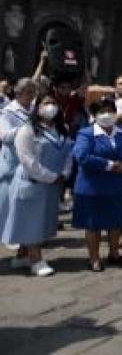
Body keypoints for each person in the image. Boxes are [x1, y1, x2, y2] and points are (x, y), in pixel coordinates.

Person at [1, 93, 73, 276]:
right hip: (31, 181)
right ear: (37, 107)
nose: (50, 106)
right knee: (31, 222)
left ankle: (22, 255)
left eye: (53, 103)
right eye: (45, 103)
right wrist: (50, 176)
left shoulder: (62, 128)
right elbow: (27, 160)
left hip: (52, 184)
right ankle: (36, 259)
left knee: (41, 221)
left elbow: (68, 153)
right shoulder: (27, 130)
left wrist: (64, 173)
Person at [72, 98, 122, 271]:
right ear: (94, 115)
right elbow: (81, 156)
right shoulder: (86, 133)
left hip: (115, 186)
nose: (106, 115)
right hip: (92, 187)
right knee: (93, 225)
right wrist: (109, 165)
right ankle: (94, 258)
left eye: (110, 110)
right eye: (101, 111)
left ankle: (114, 254)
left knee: (115, 222)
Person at [0, 78, 37, 269]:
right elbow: (4, 136)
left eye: (34, 93)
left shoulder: (32, 109)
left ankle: (23, 253)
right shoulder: (7, 112)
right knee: (7, 211)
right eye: (30, 93)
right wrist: (26, 131)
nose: (32, 96)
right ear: (19, 93)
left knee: (22, 212)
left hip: (27, 167)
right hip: (11, 167)